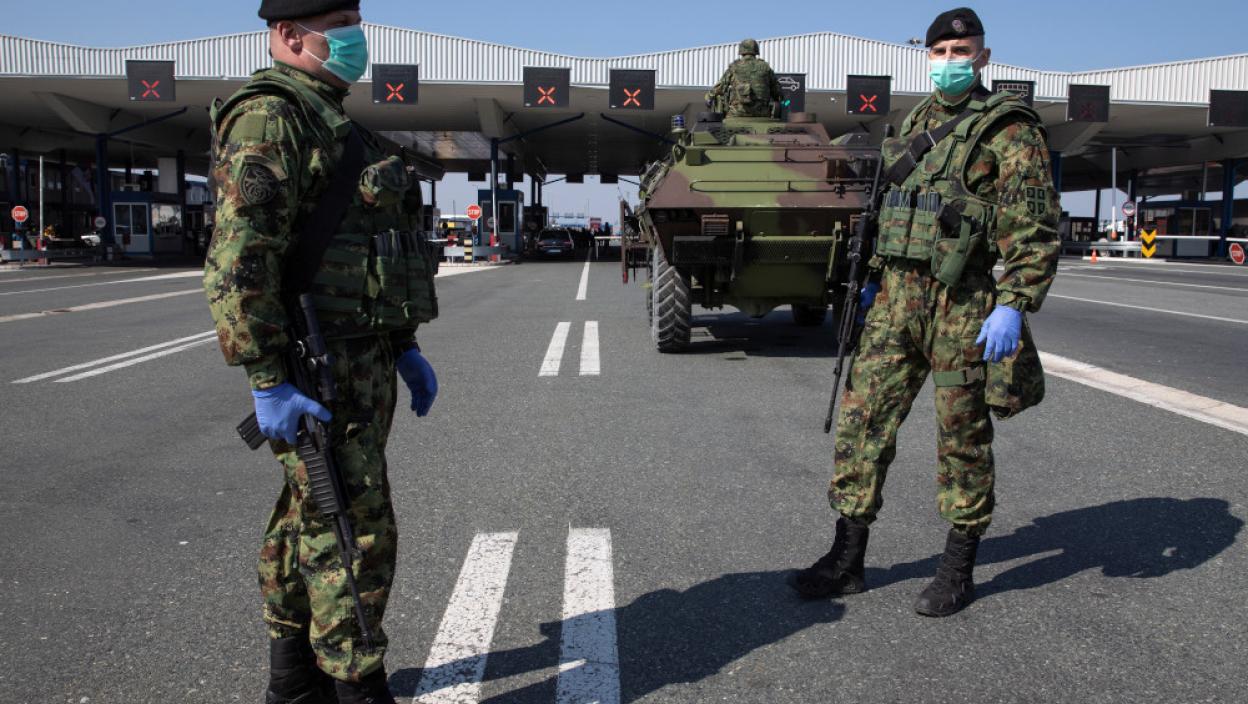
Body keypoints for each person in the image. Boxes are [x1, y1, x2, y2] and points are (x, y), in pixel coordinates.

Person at [203, 2, 439, 702]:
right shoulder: (270, 118)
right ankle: (355, 682)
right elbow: (239, 259)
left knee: (306, 512)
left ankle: (293, 679)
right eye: (337, 23)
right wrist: (267, 377)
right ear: (287, 34)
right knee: (353, 524)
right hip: (317, 365)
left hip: (359, 357)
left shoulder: (334, 123)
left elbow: (376, 249)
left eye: (354, 20)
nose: (352, 37)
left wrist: (403, 344)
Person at [792, 7, 1060, 617]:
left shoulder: (1009, 129)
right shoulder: (914, 122)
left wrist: (1013, 302)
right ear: (927, 56)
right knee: (863, 422)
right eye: (939, 52)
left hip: (961, 304)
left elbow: (1034, 225)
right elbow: (890, 206)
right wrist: (870, 279)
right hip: (895, 297)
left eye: (960, 52)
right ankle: (846, 559)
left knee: (962, 436)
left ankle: (957, 568)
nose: (948, 62)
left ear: (983, 57)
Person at [705, 39, 783, 118]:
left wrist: (709, 97)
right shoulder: (765, 67)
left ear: (741, 50)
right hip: (762, 114)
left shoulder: (734, 67)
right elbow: (778, 93)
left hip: (737, 114)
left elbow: (720, 87)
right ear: (756, 50)